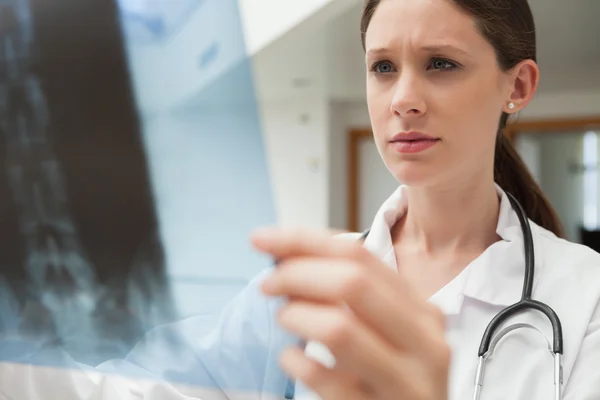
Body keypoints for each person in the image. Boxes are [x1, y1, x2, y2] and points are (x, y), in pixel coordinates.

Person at [1, 0, 600, 399]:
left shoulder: (585, 294)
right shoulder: (315, 282)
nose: (404, 98)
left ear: (516, 86)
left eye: (441, 64)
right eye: (383, 67)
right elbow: (137, 389)